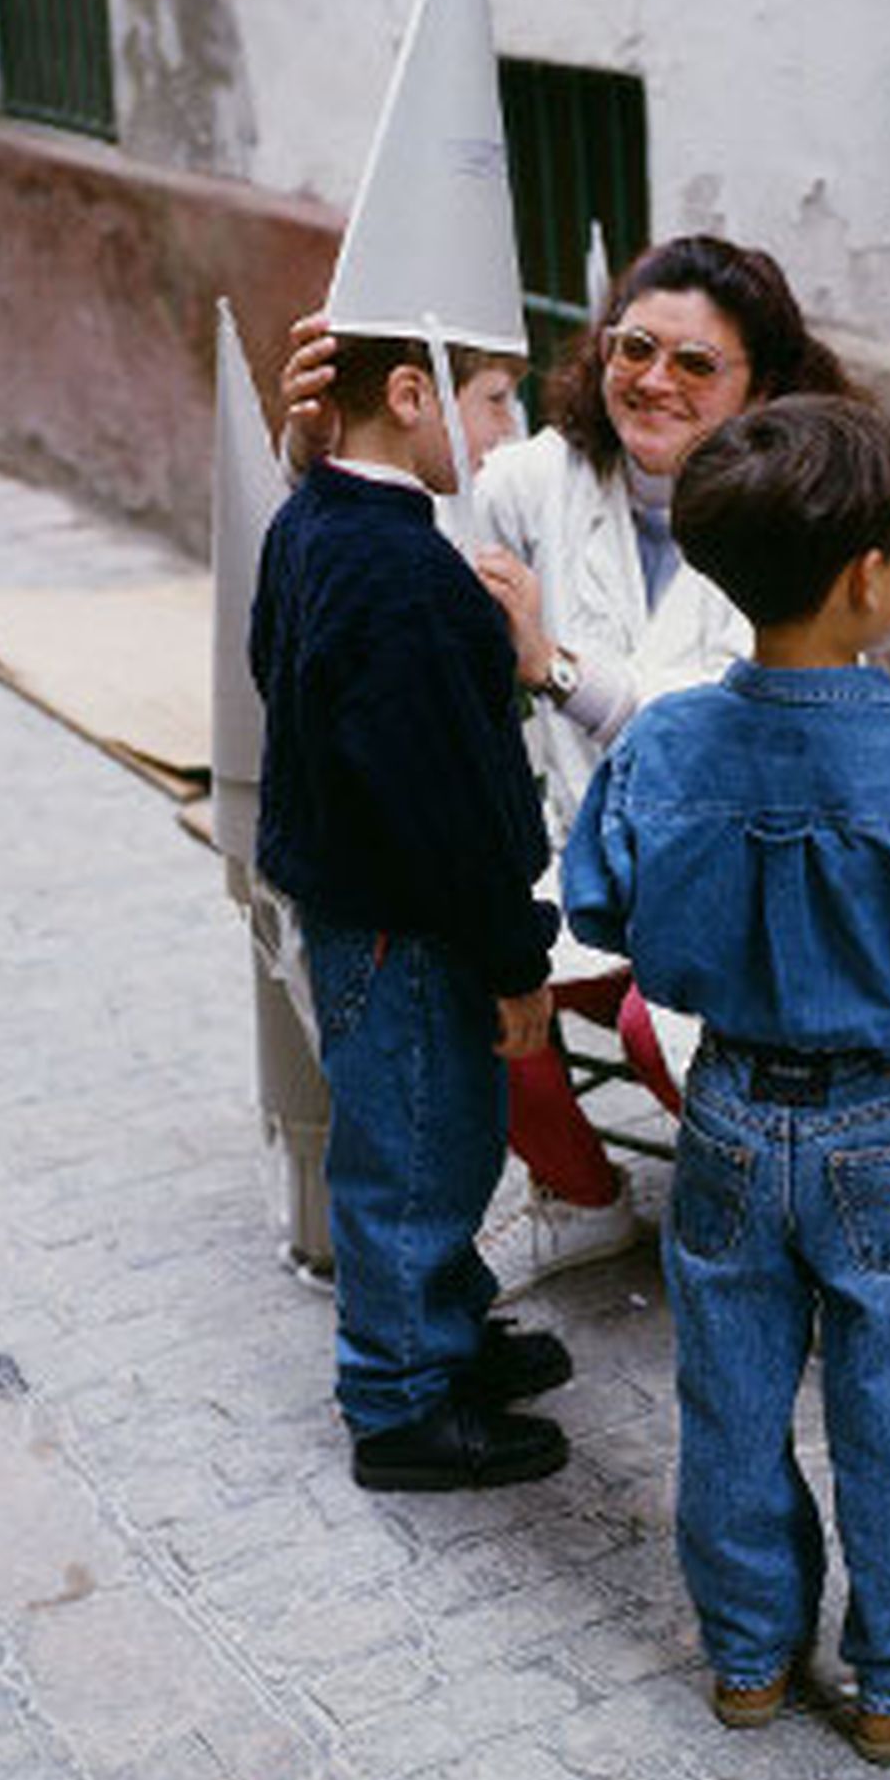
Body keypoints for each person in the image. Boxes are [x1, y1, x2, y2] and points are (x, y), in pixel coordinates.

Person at [561, 396, 890, 1763]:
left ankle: (747, 1653)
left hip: (729, 1112)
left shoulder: (664, 744)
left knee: (730, 1399)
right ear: (872, 575)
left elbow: (599, 903)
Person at [281, 234, 856, 1299]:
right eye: (635, 346)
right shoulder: (539, 476)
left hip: (750, 874)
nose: (653, 380)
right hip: (579, 859)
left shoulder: (801, 511)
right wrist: (328, 437)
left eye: (697, 364)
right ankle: (584, 1196)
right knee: (465, 961)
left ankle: (782, 1224)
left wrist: (550, 665)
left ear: (761, 385)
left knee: (659, 1022)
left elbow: (732, 738)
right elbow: (404, 521)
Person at [250, 332, 573, 1491]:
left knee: (441, 1132)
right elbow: (448, 798)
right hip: (406, 924)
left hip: (367, 907)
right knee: (415, 1155)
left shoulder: (314, 520)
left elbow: (267, 664)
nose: (502, 432)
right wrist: (513, 954)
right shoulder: (408, 570)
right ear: (407, 394)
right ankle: (399, 1402)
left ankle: (444, 1327)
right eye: (491, 401)